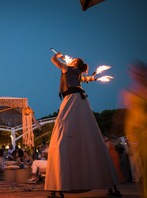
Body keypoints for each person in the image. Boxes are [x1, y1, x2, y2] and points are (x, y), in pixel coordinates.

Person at [44, 52, 120, 197]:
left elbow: (53, 60)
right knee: (91, 134)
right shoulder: (76, 72)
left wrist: (58, 56)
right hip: (80, 100)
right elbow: (84, 79)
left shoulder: (68, 69)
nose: (69, 60)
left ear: (74, 64)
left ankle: (58, 187)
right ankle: (112, 187)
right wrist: (93, 78)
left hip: (72, 100)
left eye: (72, 60)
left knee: (62, 134)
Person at [122, 61, 147, 197]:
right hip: (136, 134)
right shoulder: (130, 92)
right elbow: (127, 114)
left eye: (139, 72)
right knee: (142, 169)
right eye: (134, 73)